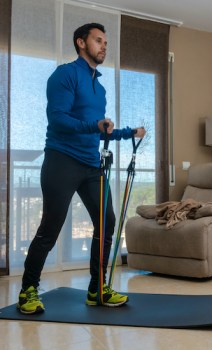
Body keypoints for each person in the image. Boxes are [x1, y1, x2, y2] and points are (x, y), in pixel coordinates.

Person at [16, 23, 145, 314]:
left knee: (107, 222)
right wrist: (94, 125)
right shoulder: (64, 75)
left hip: (91, 166)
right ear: (81, 43)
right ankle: (28, 290)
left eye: (105, 43)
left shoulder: (99, 89)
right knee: (50, 228)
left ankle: (97, 289)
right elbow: (58, 119)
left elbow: (99, 130)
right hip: (61, 161)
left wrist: (128, 132)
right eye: (98, 41)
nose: (103, 47)